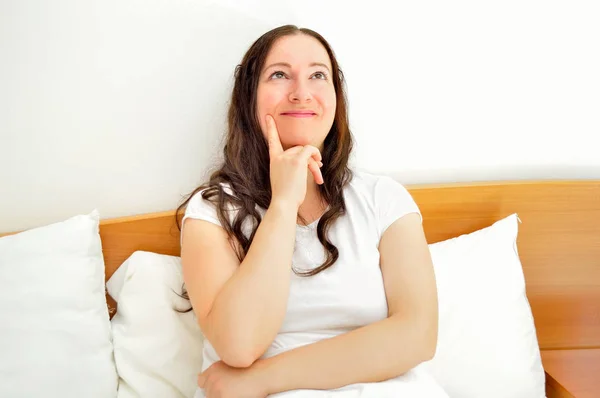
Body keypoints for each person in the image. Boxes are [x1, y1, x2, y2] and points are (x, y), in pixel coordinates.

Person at [178, 24, 448, 398]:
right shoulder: (212, 212)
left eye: (318, 75)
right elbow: (239, 345)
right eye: (279, 75)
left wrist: (262, 378)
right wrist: (284, 204)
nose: (301, 93)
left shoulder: (384, 199)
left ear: (335, 97)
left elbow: (417, 336)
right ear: (249, 98)